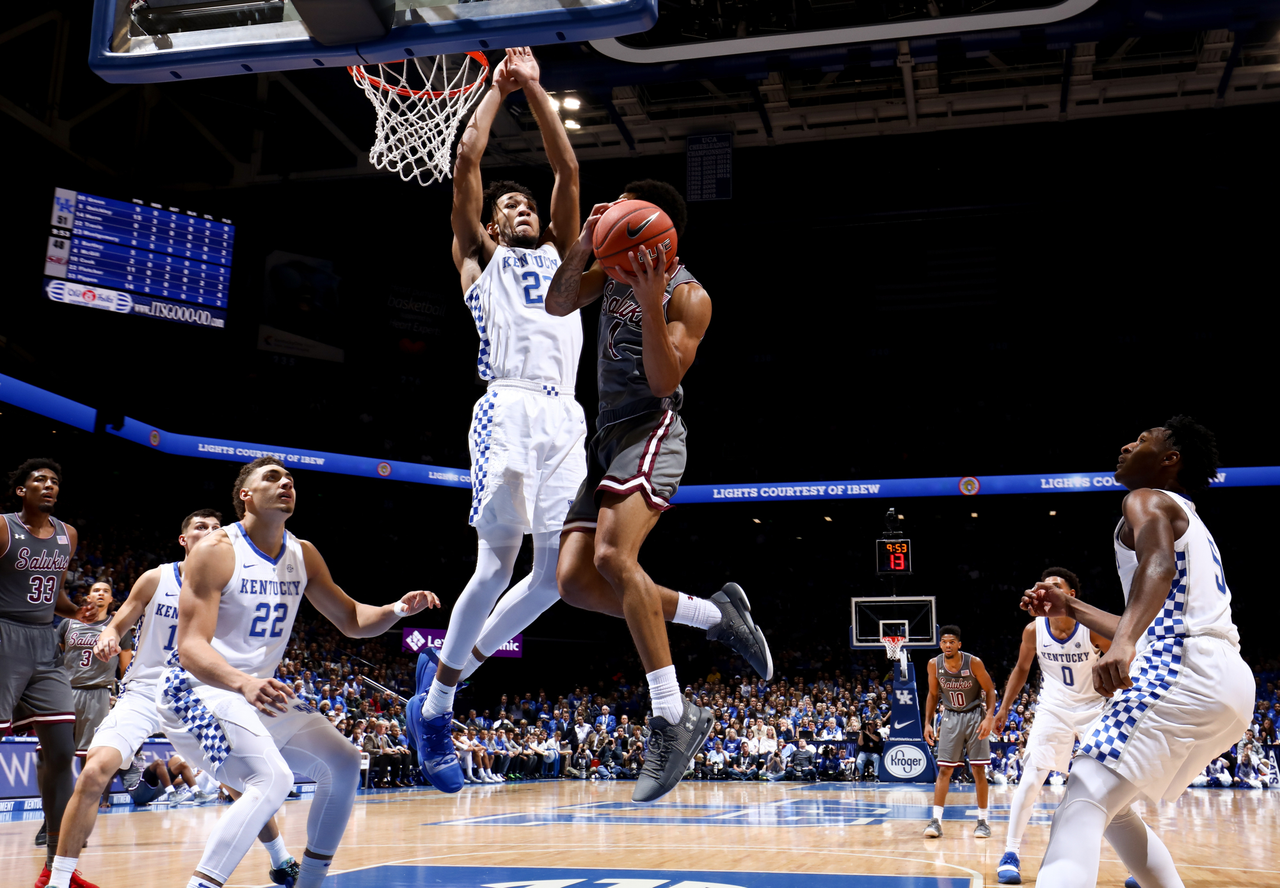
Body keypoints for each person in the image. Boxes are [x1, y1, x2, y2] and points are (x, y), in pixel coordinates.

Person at [540, 179, 774, 804]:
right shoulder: (609, 268)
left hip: (653, 427)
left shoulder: (689, 296)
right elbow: (557, 304)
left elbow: (664, 376)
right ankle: (716, 615)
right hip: (605, 435)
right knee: (575, 582)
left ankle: (672, 715)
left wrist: (648, 302)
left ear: (650, 225)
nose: (607, 215)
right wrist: (585, 245)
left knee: (616, 559)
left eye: (617, 211)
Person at [411, 45, 586, 796]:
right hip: (508, 405)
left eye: (526, 206)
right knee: (495, 566)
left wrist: (538, 91)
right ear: (487, 222)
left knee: (554, 580)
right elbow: (466, 164)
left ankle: (440, 683)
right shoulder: (478, 257)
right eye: (505, 206)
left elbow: (569, 175)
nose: (519, 210)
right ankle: (440, 707)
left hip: (567, 417)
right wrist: (494, 89)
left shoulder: (564, 255)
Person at [159, 457, 439, 888]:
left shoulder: (302, 553)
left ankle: (309, 882)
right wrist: (243, 682)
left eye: (290, 478)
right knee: (272, 779)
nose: (286, 481)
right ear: (245, 496)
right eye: (271, 477)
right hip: (197, 688)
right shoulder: (215, 551)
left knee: (345, 761)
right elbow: (191, 648)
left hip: (255, 691)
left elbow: (351, 619)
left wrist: (397, 609)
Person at [1023, 417, 1254, 888]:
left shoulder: (1146, 497)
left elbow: (1159, 565)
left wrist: (1123, 644)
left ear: (1170, 460)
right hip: (1224, 680)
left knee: (1082, 798)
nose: (1127, 444)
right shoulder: (1192, 520)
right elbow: (1153, 619)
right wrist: (1072, 606)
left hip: (1183, 671)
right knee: (1114, 808)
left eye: (1143, 440)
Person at [45, 510, 309, 888]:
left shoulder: (234, 587)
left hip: (195, 695)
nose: (210, 532)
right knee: (93, 773)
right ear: (183, 540)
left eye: (218, 528)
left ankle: (280, 858)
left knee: (239, 782)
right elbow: (122, 619)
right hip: (145, 690)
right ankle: (59, 881)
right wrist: (110, 634)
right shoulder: (157, 577)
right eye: (200, 527)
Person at [2, 459, 94, 888]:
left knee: (61, 750)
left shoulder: (66, 535)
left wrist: (76, 611)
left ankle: (57, 869)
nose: (49, 485)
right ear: (20, 490)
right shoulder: (3, 528)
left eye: (55, 480)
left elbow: (51, 592)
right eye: (39, 479)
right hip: (4, 636)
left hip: (45, 642)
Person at [993, 567, 1111, 885]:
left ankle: (1134, 865)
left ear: (1071, 596)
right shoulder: (1034, 630)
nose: (1045, 589)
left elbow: (1125, 659)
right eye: (1042, 585)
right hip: (1052, 709)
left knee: (1113, 785)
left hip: (1092, 708)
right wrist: (1003, 708)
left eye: (1054, 586)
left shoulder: (1092, 629)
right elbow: (1021, 669)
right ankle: (1011, 853)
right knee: (1031, 778)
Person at [922, 624, 997, 839]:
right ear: (940, 644)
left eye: (951, 642)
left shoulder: (973, 662)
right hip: (950, 717)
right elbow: (932, 694)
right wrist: (927, 722)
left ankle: (983, 821)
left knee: (978, 771)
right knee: (944, 770)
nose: (947, 645)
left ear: (959, 644)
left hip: (975, 715)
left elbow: (990, 690)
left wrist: (989, 717)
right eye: (944, 642)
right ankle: (936, 820)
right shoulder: (933, 665)